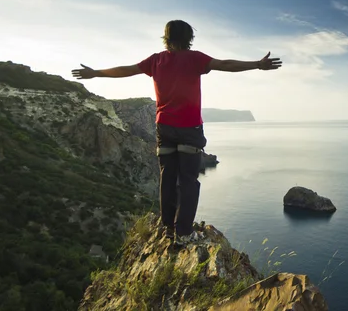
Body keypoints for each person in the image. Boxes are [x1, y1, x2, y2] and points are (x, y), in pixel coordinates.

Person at [72, 20, 282, 246]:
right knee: (189, 180)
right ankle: (183, 232)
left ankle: (168, 228)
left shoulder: (156, 60)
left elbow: (126, 70)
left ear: (166, 37)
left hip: (165, 128)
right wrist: (257, 65)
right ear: (189, 38)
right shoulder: (195, 59)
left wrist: (96, 73)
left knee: (168, 178)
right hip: (189, 129)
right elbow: (225, 64)